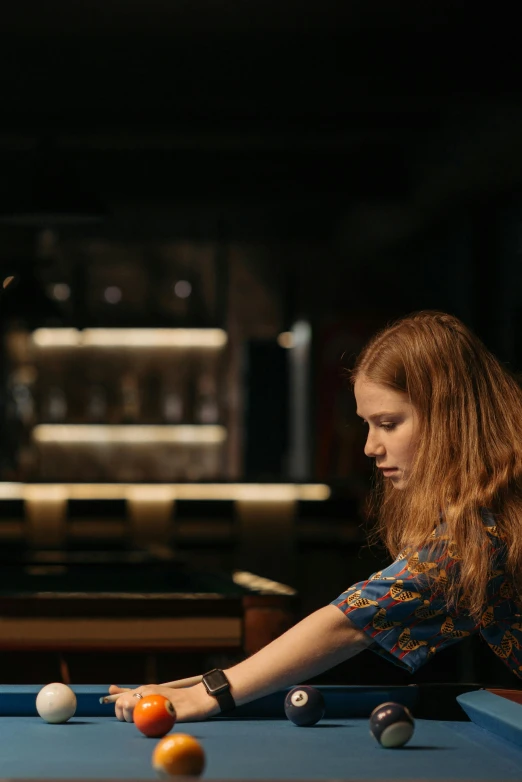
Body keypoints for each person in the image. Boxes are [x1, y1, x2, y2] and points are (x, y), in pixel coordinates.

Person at [109, 310, 522, 722]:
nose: (370, 447)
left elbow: (352, 621)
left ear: (450, 418)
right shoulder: (497, 496)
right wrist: (200, 684)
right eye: (367, 424)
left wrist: (209, 694)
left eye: (388, 423)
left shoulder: (487, 527)